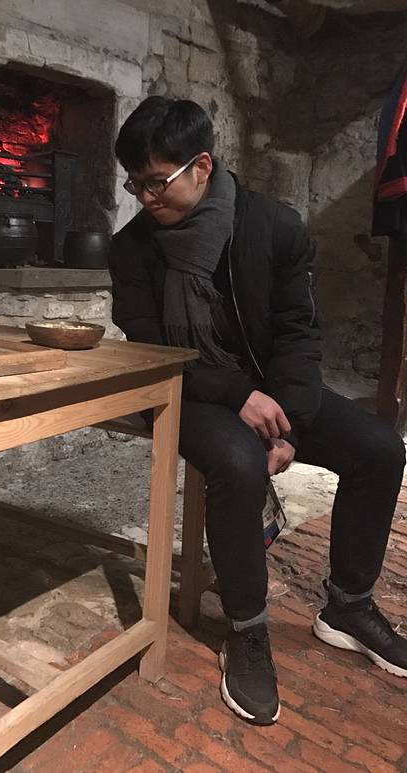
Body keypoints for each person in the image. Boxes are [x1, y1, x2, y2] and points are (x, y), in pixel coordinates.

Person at [109, 96, 407, 726]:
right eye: (135, 184)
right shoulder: (133, 249)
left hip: (275, 387)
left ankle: (348, 606)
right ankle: (245, 629)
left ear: (202, 167)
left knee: (381, 450)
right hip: (187, 388)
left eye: (157, 182)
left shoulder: (273, 227)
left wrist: (289, 422)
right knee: (239, 462)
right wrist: (237, 396)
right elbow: (150, 348)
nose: (146, 199)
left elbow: (299, 332)